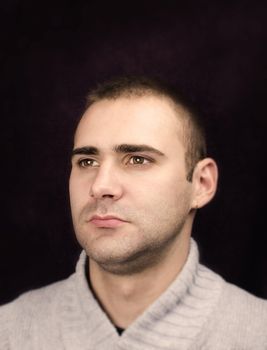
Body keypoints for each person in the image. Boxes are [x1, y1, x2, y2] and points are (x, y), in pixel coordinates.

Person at [1, 76, 267, 349]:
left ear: (201, 184)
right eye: (87, 161)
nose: (100, 186)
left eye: (138, 159)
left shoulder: (258, 334)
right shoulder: (9, 333)